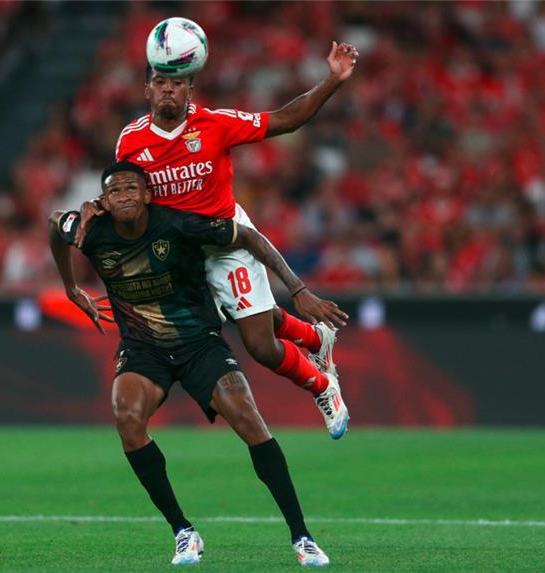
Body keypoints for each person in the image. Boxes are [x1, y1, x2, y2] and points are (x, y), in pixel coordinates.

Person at [49, 162, 348, 566]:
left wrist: (297, 289)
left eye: (132, 189)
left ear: (148, 195)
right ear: (103, 200)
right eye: (114, 191)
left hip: (199, 344)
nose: (124, 196)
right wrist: (71, 288)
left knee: (248, 418)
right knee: (126, 416)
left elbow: (249, 237)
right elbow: (55, 223)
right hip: (143, 348)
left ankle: (302, 536)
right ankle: (183, 531)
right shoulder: (91, 230)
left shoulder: (177, 224)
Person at [75, 38, 359, 438]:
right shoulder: (131, 141)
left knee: (259, 345)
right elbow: (125, 193)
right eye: (160, 82)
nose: (168, 89)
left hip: (227, 243)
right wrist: (96, 205)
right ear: (147, 89)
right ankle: (316, 338)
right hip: (178, 255)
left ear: (190, 89)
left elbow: (286, 119)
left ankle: (322, 385)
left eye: (178, 82)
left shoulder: (216, 124)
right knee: (250, 315)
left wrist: (332, 80)